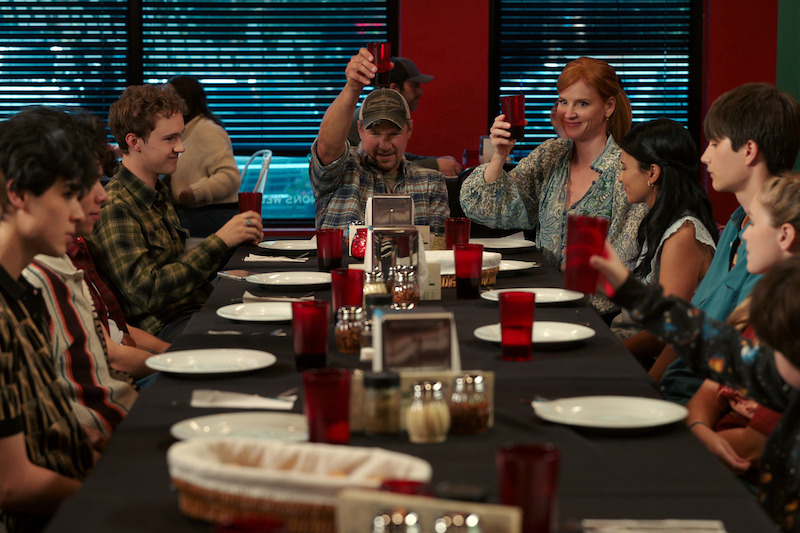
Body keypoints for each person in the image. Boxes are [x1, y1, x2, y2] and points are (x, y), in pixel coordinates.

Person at [590, 249, 800, 533]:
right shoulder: (778, 375)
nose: (764, 363)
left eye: (779, 352)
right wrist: (629, 289)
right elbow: (704, 340)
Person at [459, 56, 647, 316]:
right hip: (541, 301)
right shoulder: (551, 154)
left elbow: (625, 264)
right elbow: (484, 209)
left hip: (597, 315)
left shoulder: (625, 169)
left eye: (582, 103)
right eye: (563, 101)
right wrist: (500, 155)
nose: (568, 113)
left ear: (608, 106)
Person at [651, 82, 800, 400]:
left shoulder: (775, 246)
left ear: (749, 150)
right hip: (676, 388)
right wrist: (648, 384)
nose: (704, 156)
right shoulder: (736, 223)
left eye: (716, 143)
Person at [86, 83, 264, 341]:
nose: (181, 147)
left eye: (180, 136)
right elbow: (148, 293)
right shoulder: (117, 207)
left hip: (193, 308)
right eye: (170, 138)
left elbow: (177, 270)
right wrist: (220, 241)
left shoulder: (157, 190)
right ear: (134, 142)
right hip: (166, 328)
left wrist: (231, 243)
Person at [0, 108, 96, 533]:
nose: (78, 213)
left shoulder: (23, 291)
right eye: (68, 194)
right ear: (19, 194)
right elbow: (13, 485)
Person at [19, 108, 140, 439]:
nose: (101, 194)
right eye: (72, 189)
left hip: (120, 414)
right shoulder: (32, 277)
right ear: (20, 194)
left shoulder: (56, 260)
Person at [682, 174, 800, 485]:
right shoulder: (759, 308)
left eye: (755, 224)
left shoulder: (790, 327)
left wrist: (692, 442)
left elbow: (755, 445)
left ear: (785, 235)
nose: (745, 236)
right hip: (710, 452)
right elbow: (708, 393)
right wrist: (699, 430)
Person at [611, 118, 717, 365]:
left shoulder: (683, 236)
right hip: (630, 345)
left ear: (652, 173)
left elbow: (666, 333)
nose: (620, 178)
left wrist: (608, 355)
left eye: (625, 168)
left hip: (652, 360)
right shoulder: (659, 219)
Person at [310, 48, 450, 229]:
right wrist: (353, 86)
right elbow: (327, 149)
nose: (384, 145)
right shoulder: (343, 171)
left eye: (393, 134)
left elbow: (437, 250)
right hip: (346, 259)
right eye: (375, 133)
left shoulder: (431, 183)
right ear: (360, 130)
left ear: (409, 130)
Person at [346, 56, 462, 176]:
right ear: (394, 88)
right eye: (414, 86)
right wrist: (434, 165)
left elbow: (399, 157)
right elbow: (381, 165)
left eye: (394, 134)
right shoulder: (364, 119)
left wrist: (436, 161)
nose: (420, 92)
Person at [167, 75, 241, 237]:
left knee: (162, 231)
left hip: (212, 213)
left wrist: (193, 192)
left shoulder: (208, 130)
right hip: (194, 211)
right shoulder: (184, 132)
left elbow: (230, 177)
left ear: (184, 105)